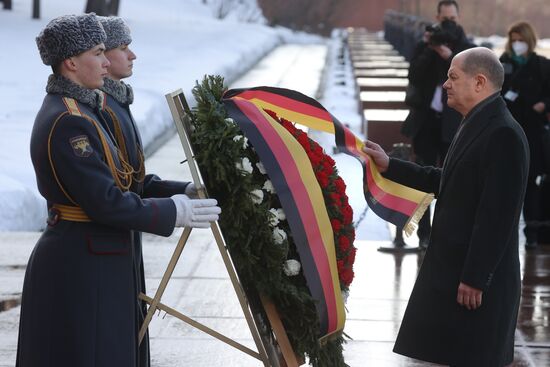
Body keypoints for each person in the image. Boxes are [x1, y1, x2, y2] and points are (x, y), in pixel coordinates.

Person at [17, 14, 220, 367]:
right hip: (81, 261)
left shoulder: (85, 109)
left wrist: (183, 192)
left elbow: (126, 179)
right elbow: (106, 203)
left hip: (98, 257)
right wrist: (174, 211)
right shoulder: (70, 121)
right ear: (71, 62)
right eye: (98, 53)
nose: (107, 61)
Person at [364, 47, 529, 366]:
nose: (446, 84)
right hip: (455, 271)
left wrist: (475, 278)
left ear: (479, 82)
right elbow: (450, 181)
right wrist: (391, 165)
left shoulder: (503, 134)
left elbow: (497, 216)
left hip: (478, 285)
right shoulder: (477, 121)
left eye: (453, 77)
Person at [401, 0, 475, 248]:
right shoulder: (427, 44)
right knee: (423, 178)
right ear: (437, 18)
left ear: (458, 18)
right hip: (427, 121)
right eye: (444, 20)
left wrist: (451, 57)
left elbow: (475, 78)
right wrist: (428, 47)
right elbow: (413, 75)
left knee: (454, 179)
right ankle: (424, 234)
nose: (448, 25)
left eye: (452, 20)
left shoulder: (467, 47)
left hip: (454, 123)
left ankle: (449, 235)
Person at [499, 21, 550, 250]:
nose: (517, 44)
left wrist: (543, 105)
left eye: (521, 40)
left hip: (532, 130)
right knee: (506, 183)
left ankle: (532, 231)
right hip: (508, 130)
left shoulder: (542, 65)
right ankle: (503, 232)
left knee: (531, 184)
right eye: (514, 40)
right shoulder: (503, 64)